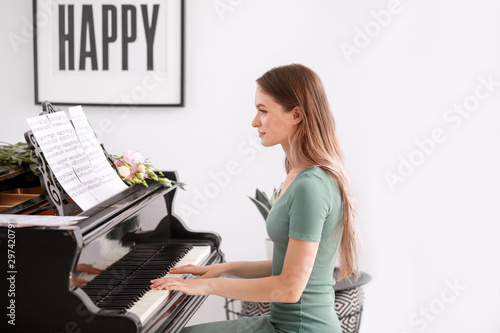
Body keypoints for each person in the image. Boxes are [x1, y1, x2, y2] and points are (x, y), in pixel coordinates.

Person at [150, 64, 360, 333]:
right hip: (282, 323)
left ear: (296, 114)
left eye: (263, 111)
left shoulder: (312, 185)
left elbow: (289, 288)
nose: (254, 122)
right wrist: (224, 269)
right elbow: (292, 265)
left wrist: (207, 286)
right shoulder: (297, 173)